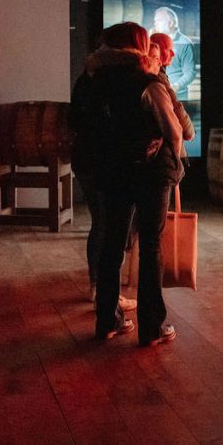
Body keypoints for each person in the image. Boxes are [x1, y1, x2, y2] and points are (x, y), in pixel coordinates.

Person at [72, 22, 182, 346]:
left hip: (109, 171)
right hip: (150, 173)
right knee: (150, 245)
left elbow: (78, 125)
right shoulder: (147, 82)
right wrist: (174, 165)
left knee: (112, 242)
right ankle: (152, 327)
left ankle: (107, 320)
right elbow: (174, 132)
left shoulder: (89, 82)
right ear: (138, 46)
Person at [149, 33, 195, 146]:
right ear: (157, 51)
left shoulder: (160, 76)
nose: (173, 54)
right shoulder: (159, 79)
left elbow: (190, 72)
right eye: (169, 49)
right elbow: (187, 132)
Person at [152, 7, 196, 101]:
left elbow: (190, 72)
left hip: (178, 97)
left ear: (171, 23)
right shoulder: (154, 42)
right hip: (158, 95)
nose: (155, 23)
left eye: (159, 20)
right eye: (155, 21)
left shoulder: (185, 43)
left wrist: (174, 87)